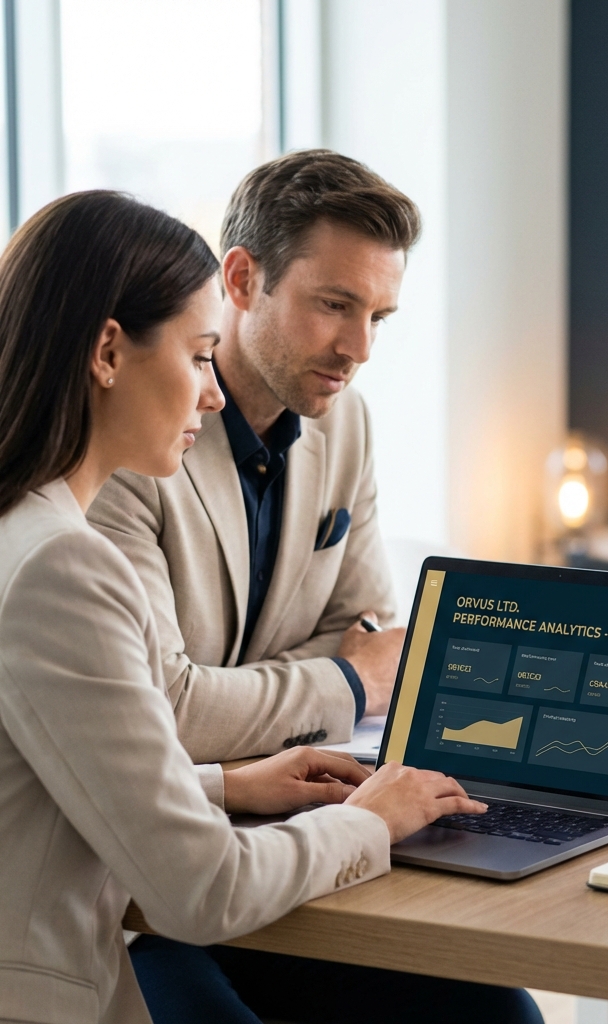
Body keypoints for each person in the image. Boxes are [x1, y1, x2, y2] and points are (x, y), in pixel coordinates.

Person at [0, 190, 542, 1024]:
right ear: (108, 352)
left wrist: (228, 784)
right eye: (195, 356)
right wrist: (370, 820)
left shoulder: (30, 531)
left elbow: (48, 771)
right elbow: (201, 889)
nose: (209, 395)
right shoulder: (65, 564)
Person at [88, 149, 414, 766]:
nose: (360, 348)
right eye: (335, 305)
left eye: (379, 317)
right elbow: (165, 710)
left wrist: (226, 694)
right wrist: (348, 681)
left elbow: (367, 631)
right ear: (240, 280)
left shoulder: (347, 422)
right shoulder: (132, 437)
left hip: (287, 790)